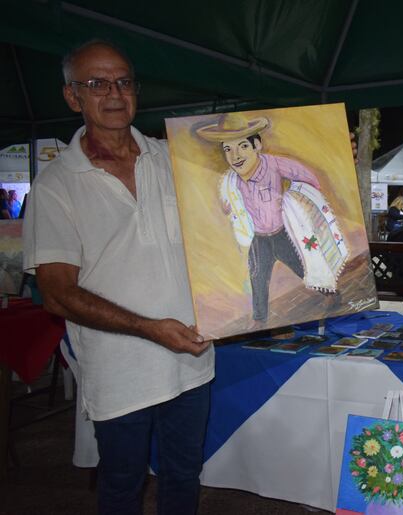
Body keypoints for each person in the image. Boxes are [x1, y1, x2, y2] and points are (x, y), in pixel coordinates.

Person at [22, 40, 214, 515]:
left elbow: (237, 209)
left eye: (124, 81)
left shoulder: (175, 159)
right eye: (97, 83)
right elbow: (57, 294)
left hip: (192, 359)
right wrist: (149, 328)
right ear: (73, 97)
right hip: (120, 372)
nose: (114, 93)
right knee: (123, 486)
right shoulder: (56, 185)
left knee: (184, 477)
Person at [195, 112, 347, 322]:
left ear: (257, 145)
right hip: (259, 239)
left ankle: (332, 295)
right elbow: (230, 204)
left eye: (243, 146)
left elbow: (308, 178)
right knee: (257, 277)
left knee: (304, 267)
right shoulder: (231, 181)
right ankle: (260, 321)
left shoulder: (274, 164)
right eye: (228, 149)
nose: (235, 156)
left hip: (282, 234)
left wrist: (301, 200)